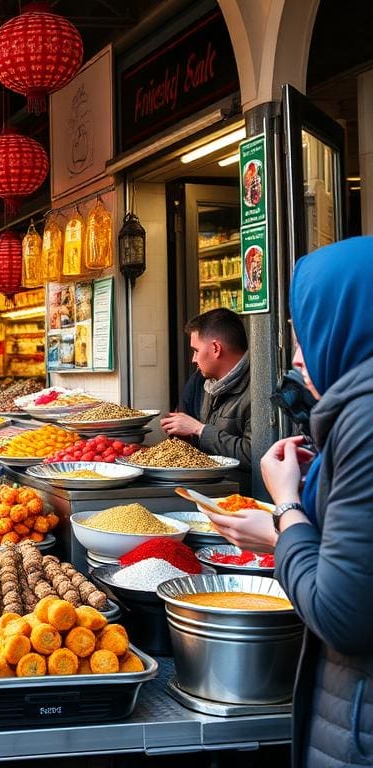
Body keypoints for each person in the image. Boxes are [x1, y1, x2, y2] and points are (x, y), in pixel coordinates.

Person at [204, 238, 373, 765]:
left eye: (305, 333)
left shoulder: (366, 420)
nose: (298, 356)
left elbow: (341, 613)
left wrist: (284, 512)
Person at [160, 308, 251, 490]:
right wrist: (186, 436)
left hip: (243, 500)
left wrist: (199, 430)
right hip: (210, 490)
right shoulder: (205, 382)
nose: (193, 359)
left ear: (216, 349)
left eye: (196, 350)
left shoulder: (258, 388)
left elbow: (252, 455)